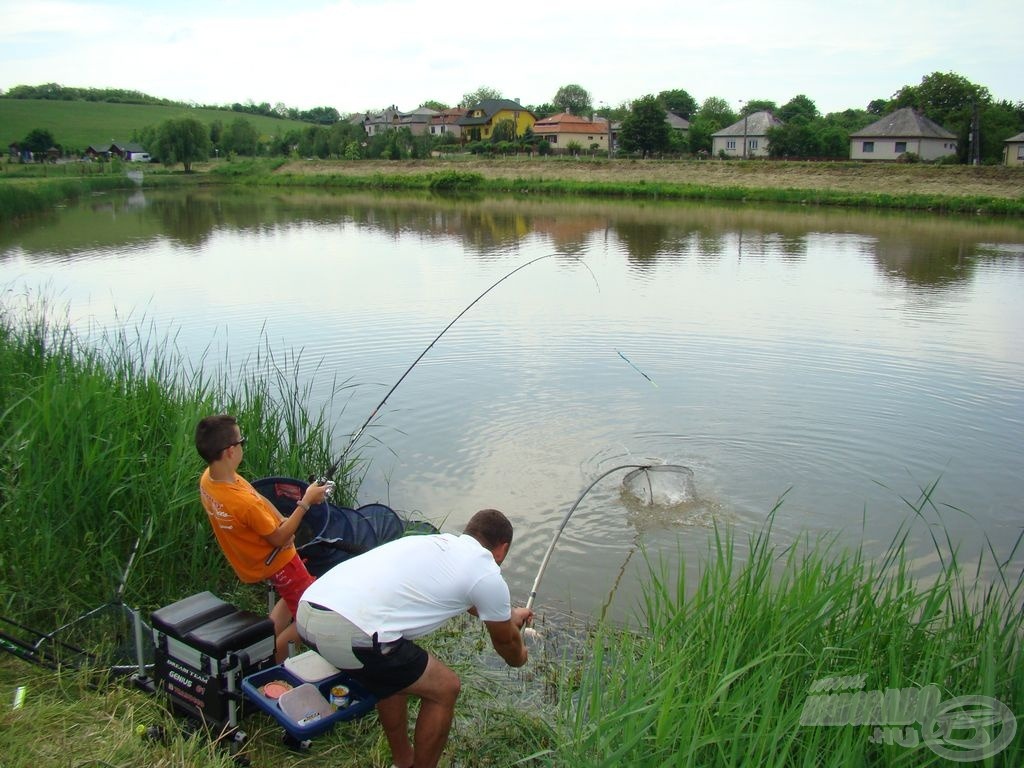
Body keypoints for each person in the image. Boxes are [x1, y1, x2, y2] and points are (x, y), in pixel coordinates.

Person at [296, 508, 533, 768]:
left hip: (309, 610)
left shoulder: (434, 546)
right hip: (352, 630)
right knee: (445, 688)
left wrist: (509, 615)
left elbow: (475, 603)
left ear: (469, 532)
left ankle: (404, 761)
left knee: (395, 675)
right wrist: (521, 656)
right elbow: (507, 645)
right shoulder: (487, 571)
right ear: (502, 549)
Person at [194, 414, 329, 662]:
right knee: (311, 614)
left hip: (261, 561)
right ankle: (271, 661)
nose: (243, 445)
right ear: (230, 451)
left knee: (292, 600)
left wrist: (283, 521)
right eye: (241, 441)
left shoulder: (211, 479)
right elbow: (278, 538)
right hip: (280, 563)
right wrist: (307, 501)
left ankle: (262, 642)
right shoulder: (241, 503)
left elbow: (257, 497)